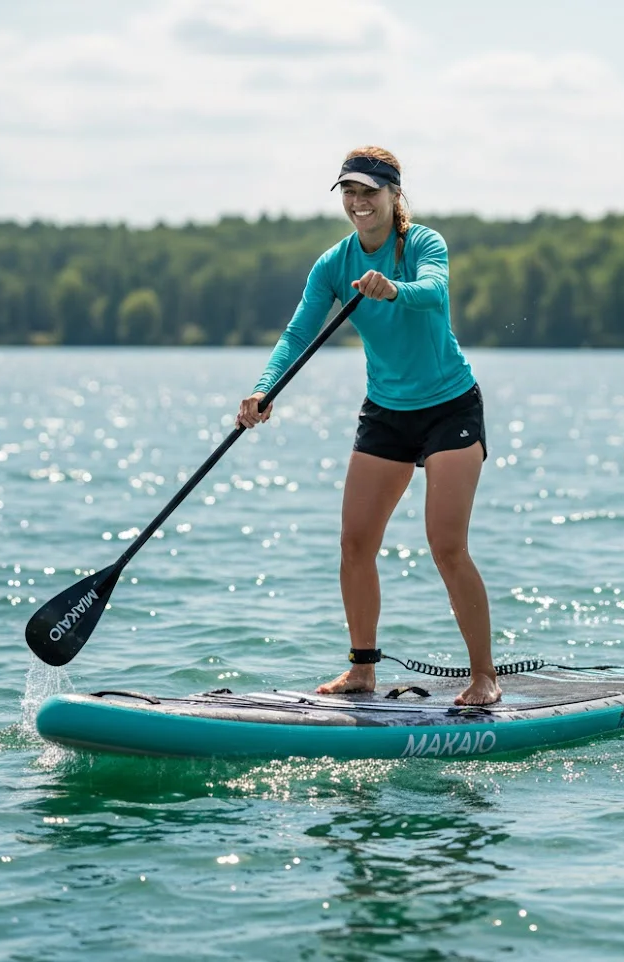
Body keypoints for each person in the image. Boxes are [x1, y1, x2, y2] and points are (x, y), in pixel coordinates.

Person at [236, 147, 500, 706]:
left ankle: (484, 677)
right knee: (355, 542)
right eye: (349, 192)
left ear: (393, 195)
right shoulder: (334, 264)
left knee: (446, 545)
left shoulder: (423, 244)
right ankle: (362, 669)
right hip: (386, 411)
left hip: (450, 406)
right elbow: (296, 333)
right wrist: (264, 388)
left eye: (369, 192)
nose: (358, 203)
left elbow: (434, 292)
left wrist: (394, 289)